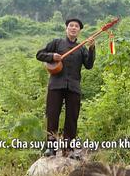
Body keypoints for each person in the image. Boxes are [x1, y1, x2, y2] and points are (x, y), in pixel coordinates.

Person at [36, 18, 95, 157]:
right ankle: (51, 147)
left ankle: (68, 149)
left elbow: (89, 65)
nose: (73, 28)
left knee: (72, 117)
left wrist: (92, 48)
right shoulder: (57, 43)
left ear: (79, 31)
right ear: (66, 28)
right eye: (71, 25)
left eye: (76, 26)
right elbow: (39, 55)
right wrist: (52, 56)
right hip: (56, 85)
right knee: (52, 115)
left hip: (74, 86)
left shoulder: (82, 48)